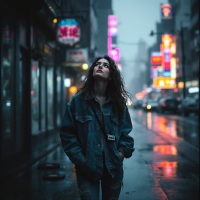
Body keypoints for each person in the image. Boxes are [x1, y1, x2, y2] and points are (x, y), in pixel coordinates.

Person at [60, 55, 135, 200]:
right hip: (87, 168)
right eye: (97, 64)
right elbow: (67, 135)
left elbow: (126, 134)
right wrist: (81, 161)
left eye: (106, 65)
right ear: (92, 71)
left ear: (111, 76)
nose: (100, 66)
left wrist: (119, 156)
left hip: (113, 167)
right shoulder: (77, 101)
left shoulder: (118, 103)